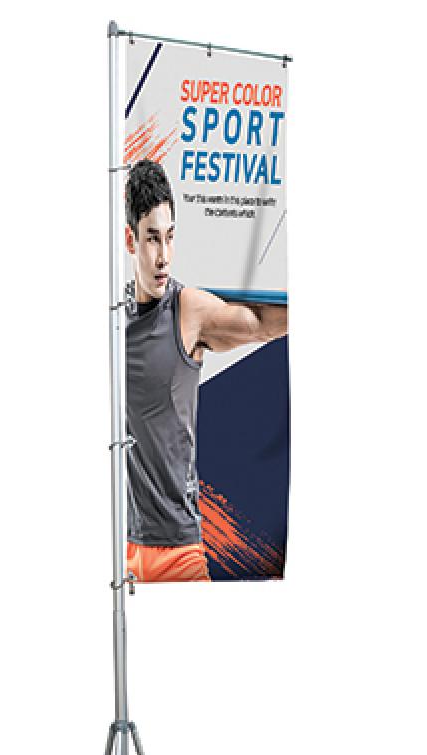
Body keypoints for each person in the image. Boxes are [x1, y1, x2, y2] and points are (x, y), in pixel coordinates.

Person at [123, 159, 288, 582]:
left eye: (170, 237)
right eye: (152, 238)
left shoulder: (187, 312)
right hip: (124, 549)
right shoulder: (113, 321)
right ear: (130, 240)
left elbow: (259, 323)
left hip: (179, 550)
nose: (163, 256)